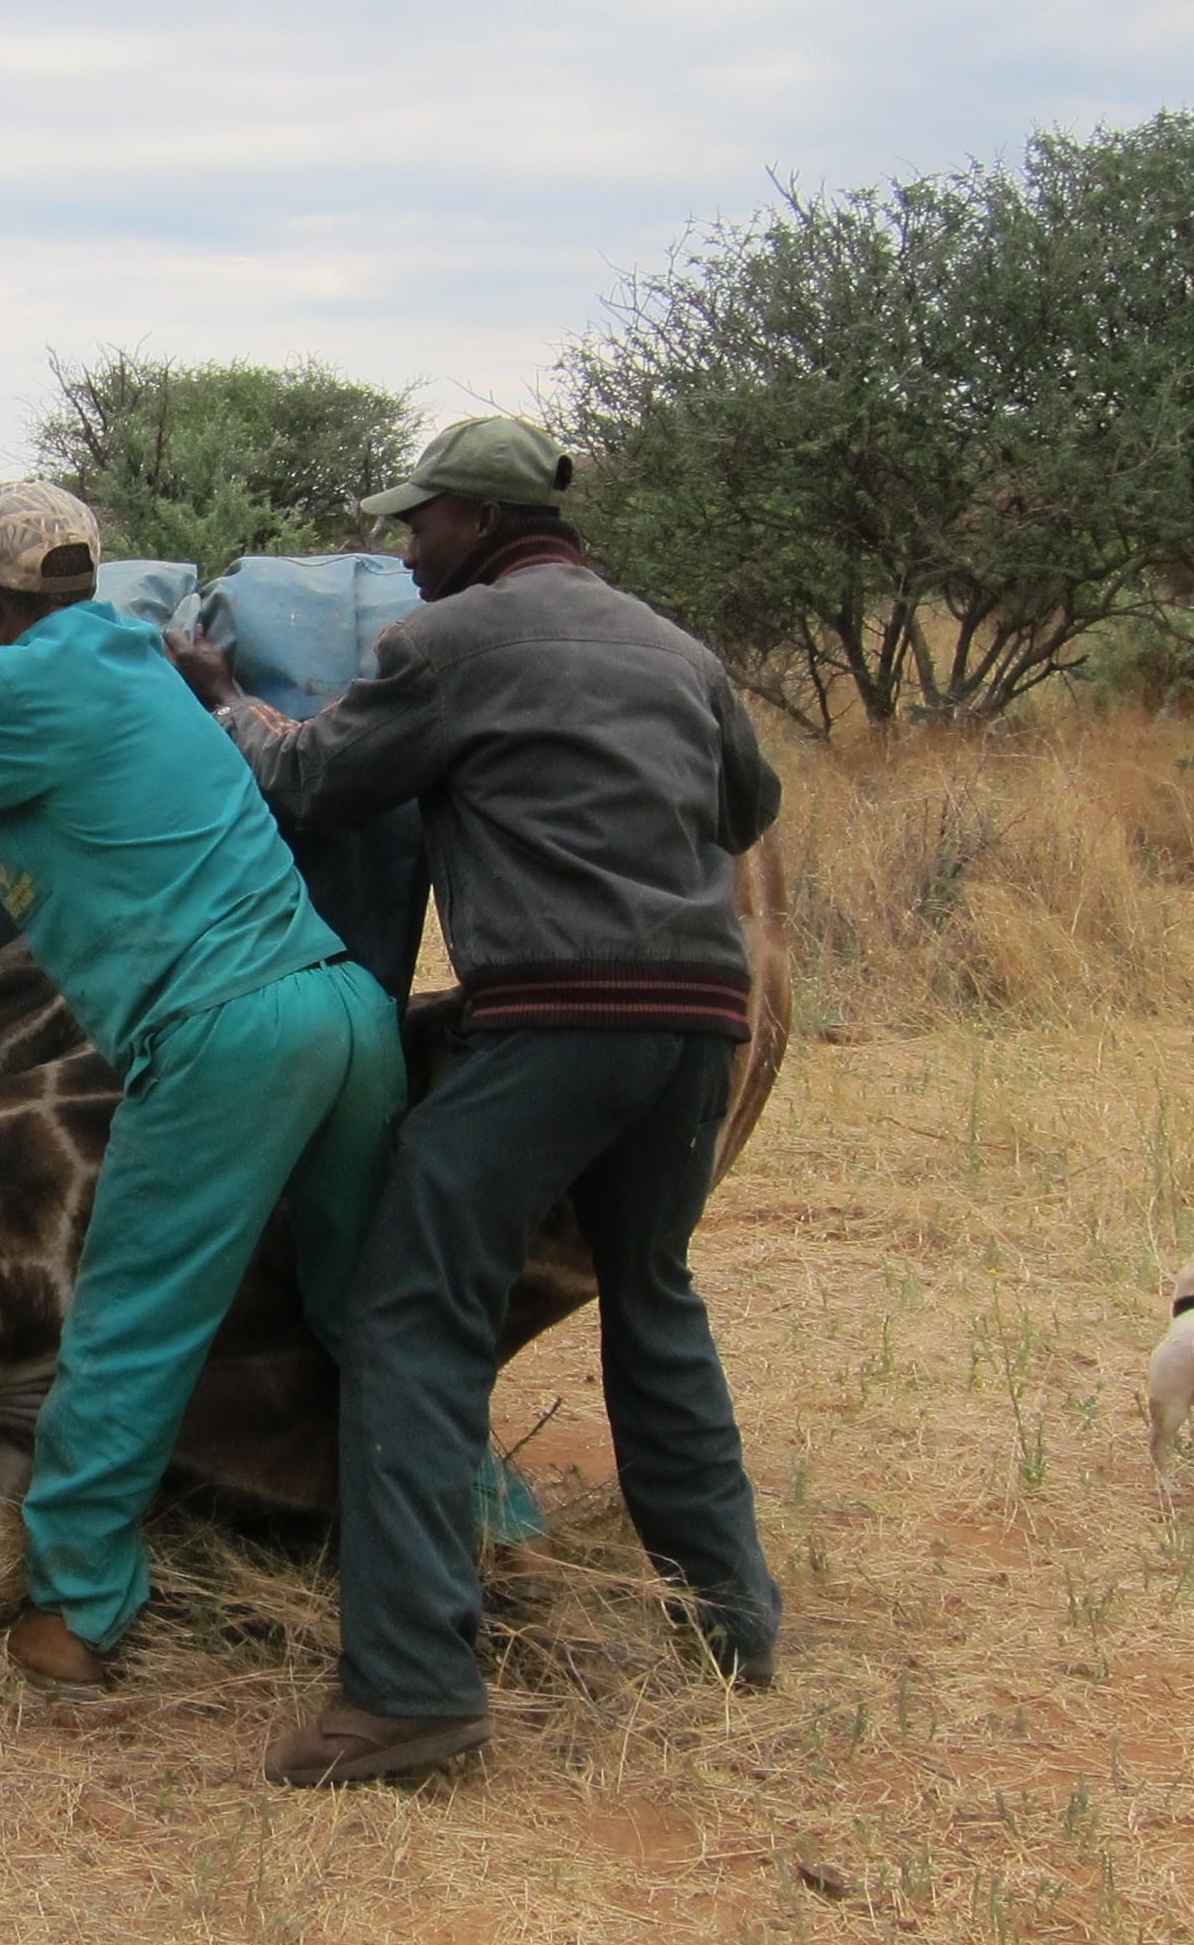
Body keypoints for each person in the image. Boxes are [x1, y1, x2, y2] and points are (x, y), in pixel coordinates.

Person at [177, 413, 785, 1788]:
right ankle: (733, 1624)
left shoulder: (453, 646)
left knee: (409, 1307)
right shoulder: (679, 651)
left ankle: (409, 1687)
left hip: (555, 1017)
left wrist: (220, 694)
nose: (406, 550)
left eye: (421, 524)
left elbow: (313, 781)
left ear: (483, 523)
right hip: (701, 1021)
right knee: (657, 1299)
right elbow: (748, 807)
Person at [0, 483, 404, 1697]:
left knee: (129, 1325)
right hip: (344, 1010)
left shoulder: (18, 688)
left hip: (223, 1041)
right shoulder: (127, 652)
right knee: (374, 1309)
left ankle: (75, 1612)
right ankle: (479, 1527)